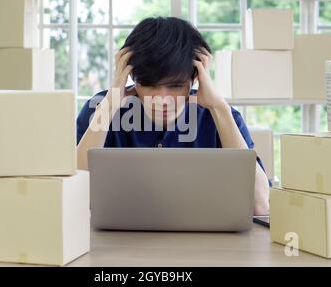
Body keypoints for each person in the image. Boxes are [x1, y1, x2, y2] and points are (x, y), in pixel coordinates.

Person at [77, 17, 269, 216]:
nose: (162, 99)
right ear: (132, 77)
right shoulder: (100, 108)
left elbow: (260, 205)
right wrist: (109, 107)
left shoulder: (219, 114)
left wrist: (219, 108)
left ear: (195, 78)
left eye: (175, 86)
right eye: (150, 85)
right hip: (116, 243)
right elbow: (72, 194)